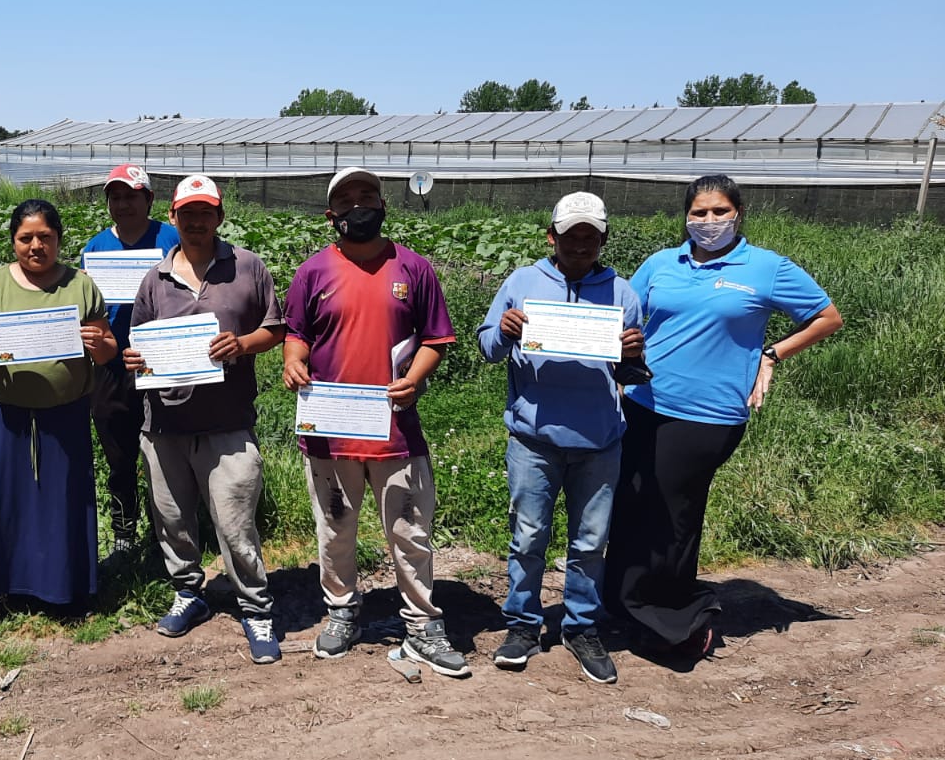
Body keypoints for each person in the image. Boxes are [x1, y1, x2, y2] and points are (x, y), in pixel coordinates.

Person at [606, 175, 844, 659]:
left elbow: (827, 317)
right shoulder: (660, 264)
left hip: (707, 416)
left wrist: (772, 354)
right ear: (686, 217)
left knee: (672, 514)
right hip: (643, 403)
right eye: (699, 213)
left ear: (738, 214)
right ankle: (624, 604)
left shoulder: (765, 268)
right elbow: (624, 319)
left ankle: (681, 618)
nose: (709, 221)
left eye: (719, 212)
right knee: (632, 506)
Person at [282, 168, 466, 675]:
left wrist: (415, 376)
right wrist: (292, 361)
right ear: (330, 215)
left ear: (384, 205)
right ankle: (342, 611)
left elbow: (435, 339)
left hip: (396, 428)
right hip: (330, 429)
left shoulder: (414, 268)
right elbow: (296, 333)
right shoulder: (312, 272)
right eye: (347, 199)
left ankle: (422, 623)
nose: (359, 205)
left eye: (368, 196)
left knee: (409, 530)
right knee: (335, 529)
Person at [475, 192, 645, 684]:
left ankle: (581, 627)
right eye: (571, 236)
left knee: (591, 542)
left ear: (602, 241)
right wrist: (505, 331)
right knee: (528, 537)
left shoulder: (622, 292)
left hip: (600, 441)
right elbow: (487, 348)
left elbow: (631, 373)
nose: (580, 245)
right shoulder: (523, 282)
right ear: (552, 236)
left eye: (591, 237)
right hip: (534, 440)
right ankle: (523, 625)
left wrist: (632, 350)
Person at [122, 175, 287, 664]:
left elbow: (274, 329)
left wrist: (242, 345)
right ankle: (189, 592)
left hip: (228, 422)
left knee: (235, 523)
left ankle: (256, 608)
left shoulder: (248, 267)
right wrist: (137, 360)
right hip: (165, 423)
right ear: (173, 217)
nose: (195, 221)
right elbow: (138, 342)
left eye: (205, 212)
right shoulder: (156, 278)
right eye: (186, 213)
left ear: (219, 216)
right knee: (173, 519)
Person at [0, 200, 117, 616]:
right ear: (13, 241)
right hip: (5, 416)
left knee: (62, 501)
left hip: (66, 414)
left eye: (45, 237)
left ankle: (67, 588)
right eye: (26, 238)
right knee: (7, 502)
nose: (36, 246)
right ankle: (1, 589)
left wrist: (99, 346)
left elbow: (108, 346)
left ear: (59, 239)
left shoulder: (81, 285)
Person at [80, 164, 179, 557]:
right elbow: (88, 306)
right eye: (115, 197)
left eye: (131, 196)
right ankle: (124, 532)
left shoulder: (170, 239)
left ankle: (170, 531)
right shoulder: (96, 247)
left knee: (167, 453)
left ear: (149, 200)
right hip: (112, 365)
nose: (122, 204)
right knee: (118, 455)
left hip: (164, 362)